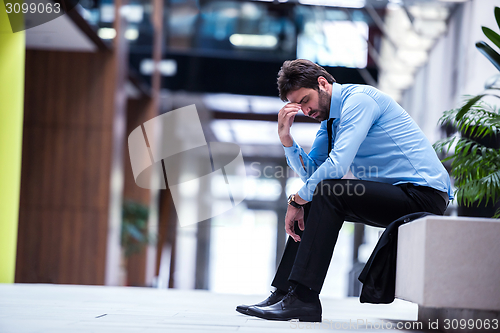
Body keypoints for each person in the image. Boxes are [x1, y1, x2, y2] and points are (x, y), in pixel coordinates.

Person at [235, 59, 453, 322]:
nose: (305, 111)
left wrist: (296, 199)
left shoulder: (359, 101)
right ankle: (286, 293)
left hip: (423, 195)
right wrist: (287, 141)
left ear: (323, 84)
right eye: (299, 106)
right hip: (398, 194)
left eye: (306, 101)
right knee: (318, 194)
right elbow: (312, 174)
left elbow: (337, 166)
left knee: (326, 191)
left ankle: (303, 298)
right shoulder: (330, 121)